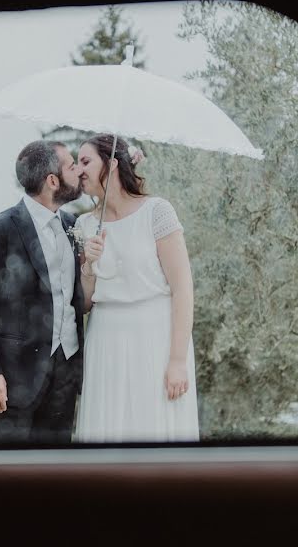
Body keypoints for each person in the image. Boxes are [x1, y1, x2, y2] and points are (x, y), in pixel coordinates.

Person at [74, 134, 199, 442]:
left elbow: (183, 289)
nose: (79, 171)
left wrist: (177, 361)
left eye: (86, 162)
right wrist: (88, 266)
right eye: (77, 164)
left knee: (154, 426)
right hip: (105, 340)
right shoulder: (84, 226)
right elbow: (85, 303)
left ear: (113, 164)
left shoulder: (157, 212)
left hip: (155, 339)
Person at [0, 140, 84, 444]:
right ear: (52, 181)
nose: (78, 172)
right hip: (14, 379)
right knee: (5, 475)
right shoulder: (1, 228)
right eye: (72, 166)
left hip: (65, 373)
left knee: (54, 476)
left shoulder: (75, 226)